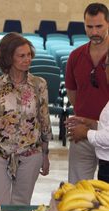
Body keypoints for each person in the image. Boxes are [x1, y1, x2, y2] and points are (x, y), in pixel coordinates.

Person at [0, 33, 52, 205]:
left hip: (31, 154)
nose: (27, 59)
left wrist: (45, 156)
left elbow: (44, 123)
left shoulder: (39, 85)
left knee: (21, 205)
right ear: (9, 58)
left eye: (29, 55)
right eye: (21, 56)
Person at [65, 3, 109, 184]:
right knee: (77, 189)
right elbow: (72, 92)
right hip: (81, 132)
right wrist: (84, 118)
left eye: (99, 26)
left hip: (108, 133)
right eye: (89, 27)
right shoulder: (75, 56)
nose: (94, 32)